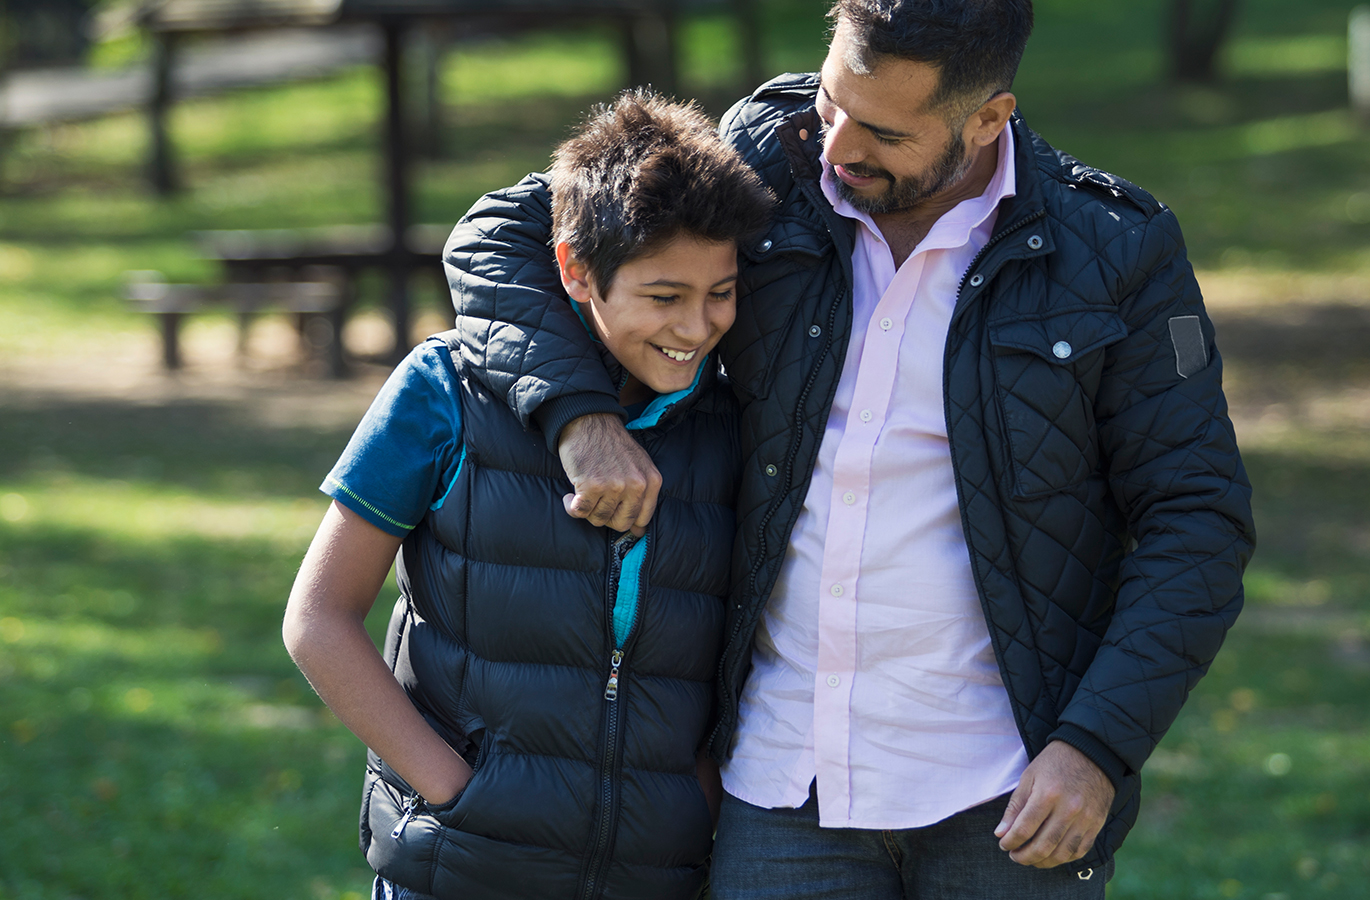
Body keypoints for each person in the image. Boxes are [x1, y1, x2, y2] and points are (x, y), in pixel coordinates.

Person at [445, 1, 1257, 897]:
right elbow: (503, 233)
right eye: (834, 102)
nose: (835, 148)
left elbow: (1196, 521)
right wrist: (580, 419)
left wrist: (1097, 747)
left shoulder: (1115, 249)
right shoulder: (768, 149)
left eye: (881, 131)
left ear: (990, 118)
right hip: (778, 786)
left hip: (1009, 795)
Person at [282, 89, 774, 900]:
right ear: (577, 270)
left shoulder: (731, 425)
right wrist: (454, 790)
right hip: (459, 869)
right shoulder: (444, 388)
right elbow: (318, 618)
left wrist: (695, 800)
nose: (696, 327)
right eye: (664, 297)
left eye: (719, 293)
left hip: (653, 880)